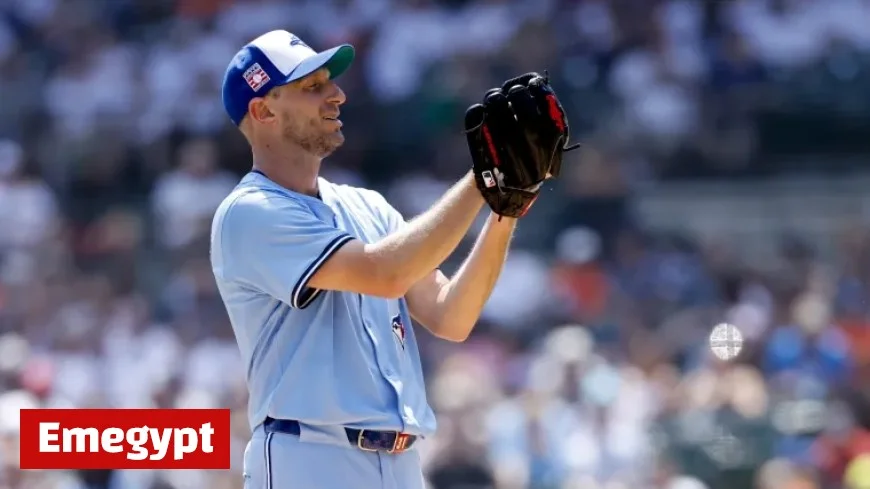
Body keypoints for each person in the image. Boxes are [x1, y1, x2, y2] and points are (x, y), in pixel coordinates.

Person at [210, 30, 522, 489]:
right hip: (311, 458)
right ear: (264, 110)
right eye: (313, 87)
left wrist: (506, 208)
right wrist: (482, 177)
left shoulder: (368, 207)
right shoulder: (249, 212)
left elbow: (451, 315)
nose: (337, 95)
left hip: (400, 463)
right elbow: (384, 272)